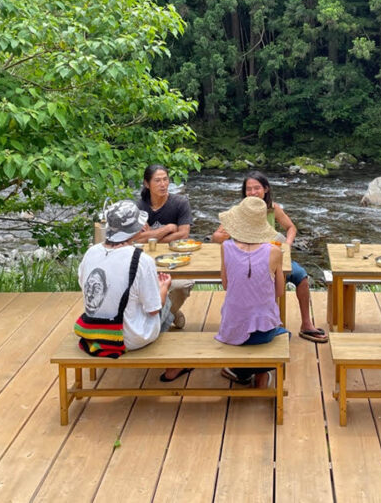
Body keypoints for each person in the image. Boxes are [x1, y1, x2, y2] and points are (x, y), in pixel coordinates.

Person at [76, 199, 191, 382]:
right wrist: (163, 288)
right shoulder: (141, 260)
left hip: (91, 331)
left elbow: (85, 285)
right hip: (125, 338)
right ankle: (171, 363)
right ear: (136, 230)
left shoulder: (91, 252)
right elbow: (154, 308)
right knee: (166, 303)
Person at [211, 171, 328, 343]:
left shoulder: (273, 209)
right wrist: (218, 237)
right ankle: (264, 323)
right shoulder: (240, 212)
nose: (252, 192)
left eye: (256, 188)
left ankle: (306, 323)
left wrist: (287, 245)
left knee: (301, 276)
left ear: (265, 189)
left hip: (272, 258)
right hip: (248, 259)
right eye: (248, 189)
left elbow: (291, 228)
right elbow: (216, 237)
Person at [215, 196, 290, 388]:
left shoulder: (226, 247)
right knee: (285, 335)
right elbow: (279, 291)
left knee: (249, 334)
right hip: (262, 332)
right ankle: (258, 373)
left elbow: (225, 284)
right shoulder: (273, 252)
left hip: (231, 328)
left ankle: (241, 371)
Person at [130, 164, 194, 328]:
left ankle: (168, 312)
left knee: (184, 283)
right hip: (145, 260)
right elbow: (135, 238)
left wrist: (150, 235)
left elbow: (183, 235)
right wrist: (167, 229)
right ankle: (169, 315)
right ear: (147, 183)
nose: (163, 184)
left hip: (176, 258)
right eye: (157, 180)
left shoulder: (180, 203)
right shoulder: (139, 207)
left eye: (165, 179)